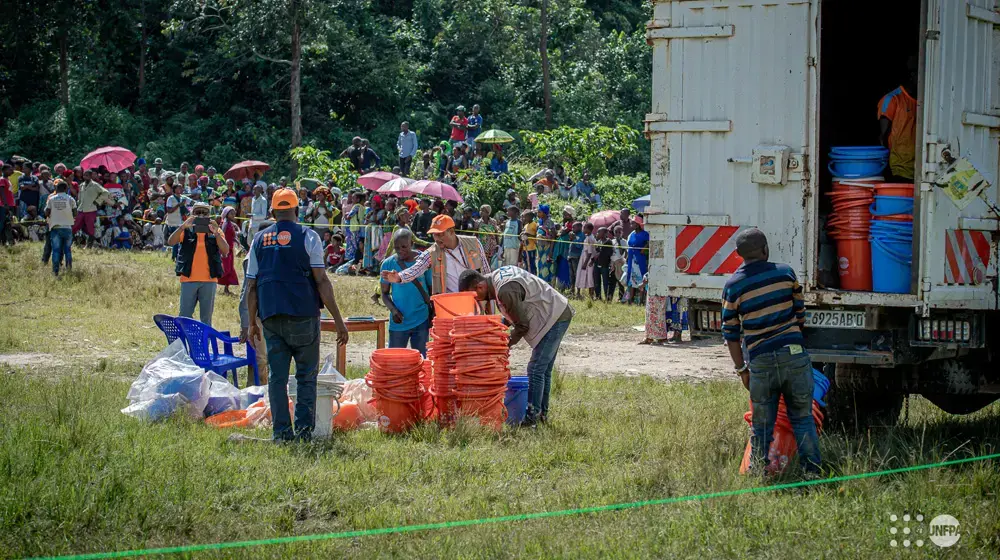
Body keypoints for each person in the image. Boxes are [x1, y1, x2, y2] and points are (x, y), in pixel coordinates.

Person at [246, 188, 349, 442]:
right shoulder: (309, 236)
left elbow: (251, 286)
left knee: (277, 378)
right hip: (304, 315)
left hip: (271, 316)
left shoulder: (259, 240)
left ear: (272, 211)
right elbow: (322, 280)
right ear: (296, 210)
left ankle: (281, 433)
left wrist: (251, 323)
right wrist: (338, 321)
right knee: (306, 376)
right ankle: (304, 434)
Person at [721, 228, 820, 475]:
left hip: (760, 361)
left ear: (738, 254)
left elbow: (730, 334)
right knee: (802, 418)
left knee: (761, 425)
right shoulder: (786, 274)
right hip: (794, 354)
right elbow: (800, 315)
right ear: (766, 249)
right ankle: (812, 472)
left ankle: (757, 473)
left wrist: (742, 370)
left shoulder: (733, 286)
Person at [459, 266, 573, 426]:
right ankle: (541, 417)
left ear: (480, 287)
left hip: (554, 316)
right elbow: (513, 311)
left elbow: (522, 325)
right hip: (556, 310)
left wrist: (503, 345)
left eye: (475, 297)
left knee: (535, 369)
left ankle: (531, 419)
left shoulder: (504, 290)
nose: (477, 301)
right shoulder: (496, 277)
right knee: (543, 370)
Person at [381, 214, 491, 294]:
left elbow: (486, 271)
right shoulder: (431, 252)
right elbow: (416, 269)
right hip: (450, 303)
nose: (437, 239)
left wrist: (490, 294)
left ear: (451, 232)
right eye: (434, 234)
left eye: (440, 234)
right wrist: (399, 277)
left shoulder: (474, 243)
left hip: (475, 299)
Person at [167, 202, 230, 326]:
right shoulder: (186, 230)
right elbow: (170, 242)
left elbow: (225, 250)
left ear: (209, 215)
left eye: (204, 213)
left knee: (206, 319)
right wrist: (182, 227)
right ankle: (186, 343)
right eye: (197, 212)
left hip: (209, 280)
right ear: (192, 214)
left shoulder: (215, 231)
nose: (201, 215)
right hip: (188, 279)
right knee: (184, 316)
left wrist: (216, 233)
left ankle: (204, 345)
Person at [381, 229, 433, 355]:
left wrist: (432, 314)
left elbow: (431, 290)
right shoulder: (388, 264)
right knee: (395, 360)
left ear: (411, 243)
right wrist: (393, 311)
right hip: (399, 321)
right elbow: (384, 293)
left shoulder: (423, 261)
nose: (400, 250)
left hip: (421, 318)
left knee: (421, 360)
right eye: (397, 247)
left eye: (404, 246)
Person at [878, 56, 918, 181]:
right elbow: (883, 137)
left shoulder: (923, 101)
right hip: (898, 170)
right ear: (912, 75)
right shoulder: (893, 99)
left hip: (918, 169)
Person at [74, 169, 114, 247]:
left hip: (91, 209)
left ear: (91, 176)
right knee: (76, 225)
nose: (85, 177)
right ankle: (73, 242)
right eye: (84, 175)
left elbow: (105, 192)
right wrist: (78, 202)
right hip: (81, 208)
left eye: (87, 175)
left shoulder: (95, 185)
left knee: (90, 227)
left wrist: (98, 201)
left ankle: (89, 244)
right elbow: (80, 196)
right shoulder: (81, 185)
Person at [46, 179, 76, 275]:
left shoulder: (51, 199)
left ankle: (55, 271)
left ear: (57, 188)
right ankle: (69, 270)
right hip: (67, 227)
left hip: (55, 227)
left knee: (56, 250)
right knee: (67, 250)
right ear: (66, 188)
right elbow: (75, 213)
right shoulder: (70, 199)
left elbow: (47, 212)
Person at [623, 215, 648, 304]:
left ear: (637, 225)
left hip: (639, 259)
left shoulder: (645, 234)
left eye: (633, 223)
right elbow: (628, 246)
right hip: (631, 259)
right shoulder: (631, 234)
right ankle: (630, 300)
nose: (631, 224)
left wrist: (643, 249)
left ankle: (641, 300)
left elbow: (650, 242)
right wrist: (626, 259)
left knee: (641, 278)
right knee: (631, 279)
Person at [218, 207, 240, 295]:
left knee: (230, 268)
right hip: (225, 250)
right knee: (226, 269)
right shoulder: (225, 223)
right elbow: (221, 234)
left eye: (234, 214)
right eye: (231, 213)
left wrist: (236, 240)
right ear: (226, 214)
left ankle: (226, 288)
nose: (233, 215)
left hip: (230, 249)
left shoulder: (230, 223)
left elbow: (232, 235)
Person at [164, 179, 188, 260]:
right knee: (176, 240)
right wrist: (179, 205)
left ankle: (177, 256)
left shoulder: (183, 198)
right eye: (179, 188)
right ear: (174, 189)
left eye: (181, 188)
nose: (181, 189)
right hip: (173, 222)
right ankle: (174, 256)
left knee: (179, 239)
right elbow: (169, 210)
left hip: (180, 222)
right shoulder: (170, 198)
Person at [575, 222, 597, 299]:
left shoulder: (590, 238)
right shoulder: (588, 237)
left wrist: (585, 263)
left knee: (589, 276)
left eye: (584, 228)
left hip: (587, 259)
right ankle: (579, 293)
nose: (583, 229)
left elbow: (590, 252)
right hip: (584, 257)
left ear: (588, 229)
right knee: (582, 274)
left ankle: (591, 295)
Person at [593, 226, 614, 301]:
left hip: (605, 264)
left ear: (605, 233)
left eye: (599, 232)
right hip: (597, 263)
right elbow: (596, 251)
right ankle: (598, 296)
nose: (597, 233)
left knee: (605, 282)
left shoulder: (609, 242)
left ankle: (607, 297)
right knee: (596, 281)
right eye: (597, 232)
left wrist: (599, 252)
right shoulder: (598, 242)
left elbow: (607, 253)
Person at [0, 164, 15, 246]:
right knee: (2, 224)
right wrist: (5, 204)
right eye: (10, 169)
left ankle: (8, 241)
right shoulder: (2, 180)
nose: (12, 171)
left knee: (8, 224)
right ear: (4, 170)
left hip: (10, 205)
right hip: (4, 205)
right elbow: (1, 192)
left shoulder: (7, 179)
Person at [520, 210, 538, 274]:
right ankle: (528, 275)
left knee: (531, 263)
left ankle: (533, 275)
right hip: (525, 248)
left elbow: (536, 236)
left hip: (531, 248)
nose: (524, 218)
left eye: (526, 217)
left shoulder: (534, 224)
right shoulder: (525, 225)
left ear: (530, 217)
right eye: (524, 217)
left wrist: (528, 234)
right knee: (526, 263)